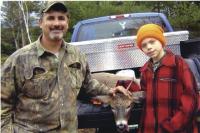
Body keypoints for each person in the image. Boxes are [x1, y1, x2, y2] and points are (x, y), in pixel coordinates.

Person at [1, 2, 131, 133]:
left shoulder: (77, 55)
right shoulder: (19, 59)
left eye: (61, 18)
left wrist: (110, 90)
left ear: (67, 23)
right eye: (51, 18)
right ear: (40, 23)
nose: (57, 23)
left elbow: (88, 84)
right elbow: (2, 101)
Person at [135, 24, 199, 133]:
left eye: (152, 42)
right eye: (144, 45)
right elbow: (145, 94)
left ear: (161, 41)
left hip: (177, 128)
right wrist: (124, 86)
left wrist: (173, 125)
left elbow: (191, 97)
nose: (149, 47)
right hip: (150, 128)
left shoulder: (178, 64)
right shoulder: (145, 70)